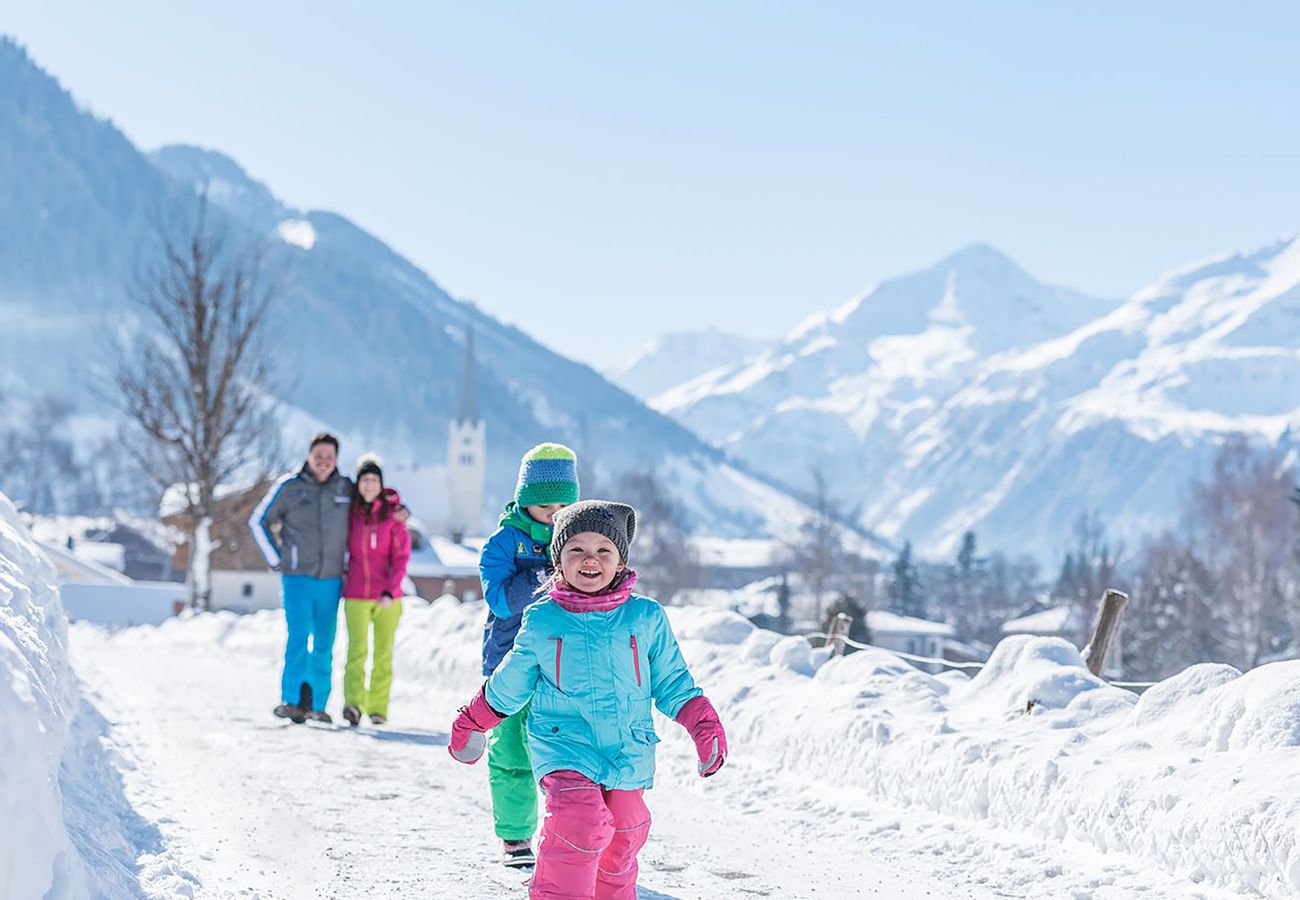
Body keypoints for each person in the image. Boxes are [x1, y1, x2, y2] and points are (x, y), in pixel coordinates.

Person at [449, 500, 728, 900]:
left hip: (628, 748)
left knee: (626, 830)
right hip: (564, 745)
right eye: (576, 549)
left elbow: (673, 683)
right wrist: (472, 722)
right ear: (558, 561)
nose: (590, 559)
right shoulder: (544, 618)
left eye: (603, 550)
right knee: (579, 822)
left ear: (620, 560)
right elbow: (509, 682)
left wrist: (703, 726)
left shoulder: (645, 618)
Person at [248, 433, 406, 724]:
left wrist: (396, 507)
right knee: (298, 638)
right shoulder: (289, 486)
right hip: (297, 578)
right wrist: (276, 559)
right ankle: (292, 700)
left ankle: (319, 705)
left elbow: (373, 496)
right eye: (318, 455)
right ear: (309, 455)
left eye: (329, 457)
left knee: (324, 642)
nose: (324, 462)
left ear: (336, 460)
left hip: (332, 579)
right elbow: (258, 521)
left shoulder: (344, 487)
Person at [477, 442, 581, 868]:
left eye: (563, 504)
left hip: (562, 664)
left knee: (567, 753)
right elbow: (501, 601)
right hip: (508, 662)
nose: (554, 514)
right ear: (525, 500)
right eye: (544, 504)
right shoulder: (503, 543)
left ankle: (568, 835)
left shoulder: (578, 540)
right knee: (512, 751)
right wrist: (545, 575)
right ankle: (517, 837)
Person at [341, 453, 411, 727]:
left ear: (381, 483)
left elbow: (402, 557)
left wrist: (390, 590)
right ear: (358, 484)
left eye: (374, 480)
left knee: (383, 654)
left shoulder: (393, 517)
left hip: (387, 597)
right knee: (356, 653)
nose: (369, 485)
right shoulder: (351, 513)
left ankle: (378, 708)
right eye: (364, 480)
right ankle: (353, 705)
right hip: (356, 593)